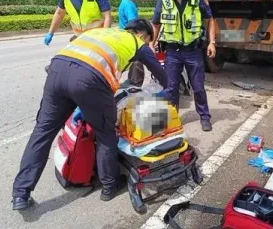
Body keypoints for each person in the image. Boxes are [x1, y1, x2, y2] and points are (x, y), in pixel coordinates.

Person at [12, 19, 168, 210]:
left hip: (57, 70)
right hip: (90, 80)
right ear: (143, 35)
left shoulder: (101, 32)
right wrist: (164, 92)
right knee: (105, 133)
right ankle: (109, 186)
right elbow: (161, 74)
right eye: (147, 40)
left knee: (42, 132)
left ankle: (21, 194)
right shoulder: (138, 44)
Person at [150, 0, 217, 132]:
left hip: (193, 51)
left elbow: (210, 20)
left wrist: (212, 42)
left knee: (198, 87)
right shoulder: (163, 0)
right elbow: (156, 24)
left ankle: (204, 117)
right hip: (172, 52)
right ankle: (172, 118)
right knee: (171, 88)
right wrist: (151, 42)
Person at [118, 0, 145, 87]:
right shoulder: (129, 4)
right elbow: (133, 25)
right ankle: (134, 90)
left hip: (124, 39)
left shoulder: (124, 1)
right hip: (131, 41)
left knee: (131, 67)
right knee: (137, 68)